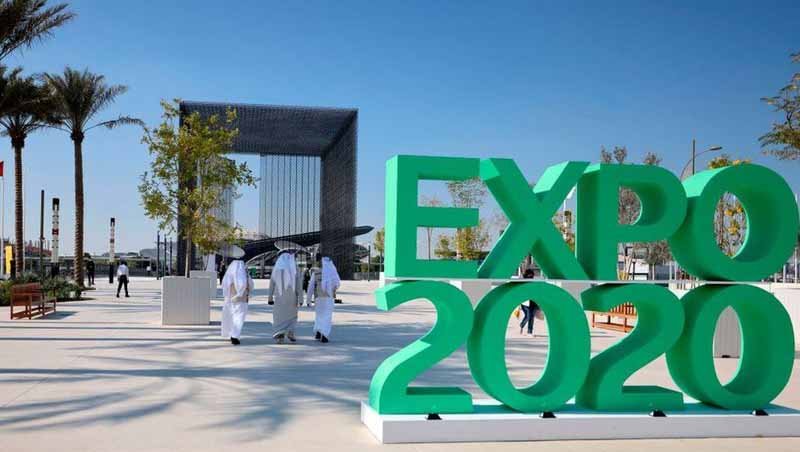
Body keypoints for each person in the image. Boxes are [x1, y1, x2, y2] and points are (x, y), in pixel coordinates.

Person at [268, 252, 303, 344]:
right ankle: (290, 333)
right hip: (292, 298)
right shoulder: (294, 268)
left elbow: (272, 284)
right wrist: (301, 299)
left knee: (279, 317)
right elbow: (299, 285)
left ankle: (280, 336)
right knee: (292, 316)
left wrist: (270, 298)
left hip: (279, 299)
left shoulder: (276, 269)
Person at [307, 256, 340, 343]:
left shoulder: (316, 273)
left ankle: (318, 331)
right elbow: (338, 284)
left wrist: (308, 300)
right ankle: (324, 334)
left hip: (318, 297)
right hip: (329, 298)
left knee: (319, 315)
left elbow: (310, 287)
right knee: (327, 316)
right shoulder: (333, 273)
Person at [221, 260, 253, 345]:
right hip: (242, 299)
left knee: (231, 317)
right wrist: (243, 292)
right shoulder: (245, 275)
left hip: (230, 299)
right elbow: (250, 285)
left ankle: (231, 334)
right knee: (239, 318)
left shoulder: (229, 274)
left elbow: (224, 285)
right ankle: (235, 336)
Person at [519, 268, 539, 335]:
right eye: (529, 275)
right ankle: (522, 325)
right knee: (528, 316)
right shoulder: (522, 283)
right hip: (525, 303)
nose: (531, 276)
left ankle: (530, 332)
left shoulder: (534, 282)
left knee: (531, 317)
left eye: (531, 275)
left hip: (533, 303)